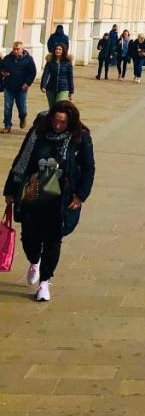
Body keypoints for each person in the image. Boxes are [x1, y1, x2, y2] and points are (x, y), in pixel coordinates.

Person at [4, 100, 95, 302]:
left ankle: (45, 282)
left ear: (70, 122)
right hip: (33, 195)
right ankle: (34, 259)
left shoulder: (80, 138)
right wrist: (10, 190)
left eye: (62, 123)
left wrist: (80, 195)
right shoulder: (37, 133)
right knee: (29, 237)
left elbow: (88, 168)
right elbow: (21, 161)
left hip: (60, 198)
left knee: (53, 240)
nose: (57, 125)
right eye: (56, 120)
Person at [0, 42, 36, 133]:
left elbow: (32, 73)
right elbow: (2, 68)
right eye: (14, 49)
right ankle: (7, 125)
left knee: (22, 108)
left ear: (22, 49)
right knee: (8, 107)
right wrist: (3, 72)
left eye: (18, 49)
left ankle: (22, 118)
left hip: (21, 88)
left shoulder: (28, 60)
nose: (16, 51)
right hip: (9, 86)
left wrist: (27, 83)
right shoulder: (7, 59)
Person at [41, 46, 73, 111]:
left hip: (63, 88)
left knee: (59, 106)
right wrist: (43, 85)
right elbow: (45, 74)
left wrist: (71, 91)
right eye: (56, 49)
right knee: (52, 109)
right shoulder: (50, 62)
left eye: (59, 49)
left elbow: (70, 77)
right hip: (51, 88)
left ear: (63, 51)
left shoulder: (67, 62)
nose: (57, 51)